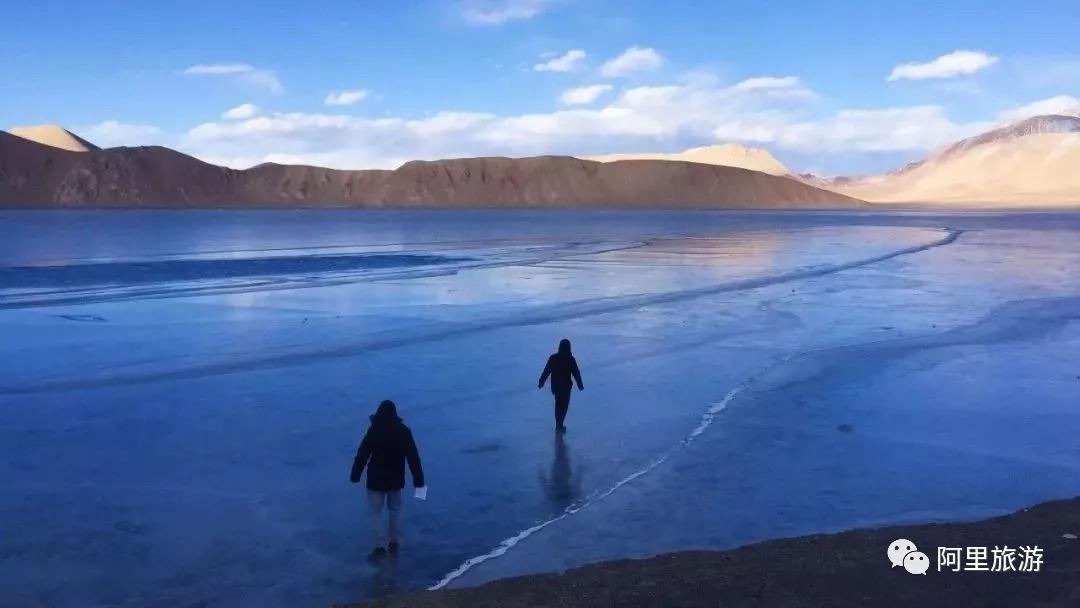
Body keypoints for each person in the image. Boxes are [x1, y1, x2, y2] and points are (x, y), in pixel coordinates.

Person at [350, 400, 425, 560]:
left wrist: (355, 474)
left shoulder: (374, 430)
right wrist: (418, 480)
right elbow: (413, 457)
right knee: (395, 510)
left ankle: (379, 545)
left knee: (375, 513)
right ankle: (394, 541)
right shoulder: (403, 431)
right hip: (395, 479)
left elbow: (362, 454)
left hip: (375, 480)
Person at [538, 338, 584, 433]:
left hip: (556, 386)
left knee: (558, 405)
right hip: (566, 387)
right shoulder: (570, 359)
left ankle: (558, 424)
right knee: (564, 406)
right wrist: (580, 385)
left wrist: (541, 381)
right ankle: (560, 424)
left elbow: (546, 371)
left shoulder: (553, 358)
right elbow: (576, 373)